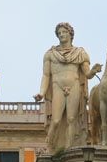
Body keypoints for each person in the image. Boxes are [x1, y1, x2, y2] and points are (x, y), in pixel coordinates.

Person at [34, 22, 102, 151]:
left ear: (70, 34)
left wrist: (94, 70)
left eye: (64, 32)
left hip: (74, 86)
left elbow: (87, 74)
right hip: (57, 87)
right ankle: (50, 148)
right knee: (56, 120)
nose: (61, 35)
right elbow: (46, 75)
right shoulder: (50, 54)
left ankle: (68, 149)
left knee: (72, 119)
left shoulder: (80, 53)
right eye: (59, 33)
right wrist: (41, 93)